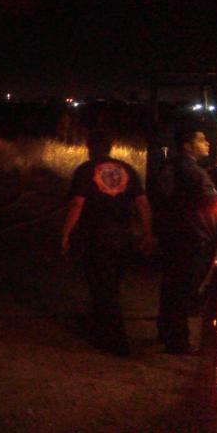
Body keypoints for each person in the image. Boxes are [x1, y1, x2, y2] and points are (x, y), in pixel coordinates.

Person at [60, 130, 153, 356]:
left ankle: (114, 340)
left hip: (95, 237)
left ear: (89, 147)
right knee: (111, 286)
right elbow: (142, 204)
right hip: (123, 237)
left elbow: (76, 204)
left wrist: (65, 233)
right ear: (110, 147)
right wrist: (147, 233)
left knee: (102, 287)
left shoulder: (85, 171)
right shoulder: (127, 169)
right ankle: (99, 326)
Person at [154, 128, 217, 354]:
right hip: (193, 237)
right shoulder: (192, 172)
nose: (207, 144)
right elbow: (213, 200)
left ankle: (166, 332)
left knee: (171, 287)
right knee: (184, 291)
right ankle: (178, 342)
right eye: (201, 140)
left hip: (175, 236)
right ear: (187, 145)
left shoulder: (170, 167)